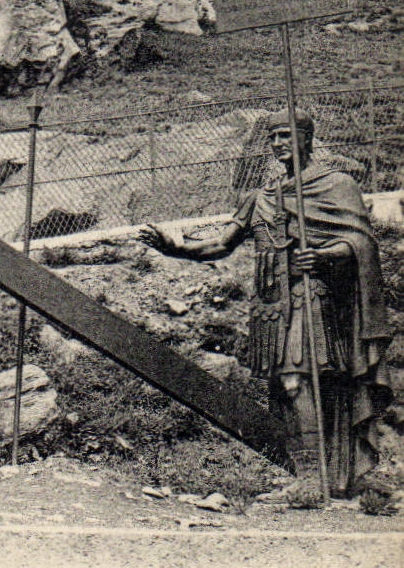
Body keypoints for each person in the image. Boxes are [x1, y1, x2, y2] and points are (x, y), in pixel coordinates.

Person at [138, 111, 393, 500]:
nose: (278, 144)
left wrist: (326, 257)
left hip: (313, 299)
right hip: (271, 308)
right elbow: (221, 244)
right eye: (273, 137)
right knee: (282, 389)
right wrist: (175, 248)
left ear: (307, 138)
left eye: (286, 135)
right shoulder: (262, 197)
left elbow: (360, 244)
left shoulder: (336, 186)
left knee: (298, 382)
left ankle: (313, 482)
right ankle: (315, 475)